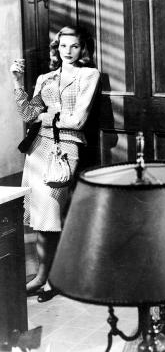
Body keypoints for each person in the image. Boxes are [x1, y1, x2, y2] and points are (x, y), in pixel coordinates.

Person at [9, 25, 100, 302]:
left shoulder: (89, 75)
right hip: (38, 148)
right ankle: (42, 276)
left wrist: (46, 116)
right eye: (63, 46)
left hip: (66, 148)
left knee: (51, 212)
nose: (68, 51)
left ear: (83, 49)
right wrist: (17, 81)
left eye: (74, 46)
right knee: (41, 218)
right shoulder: (45, 78)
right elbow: (28, 114)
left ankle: (55, 277)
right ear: (56, 48)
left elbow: (78, 120)